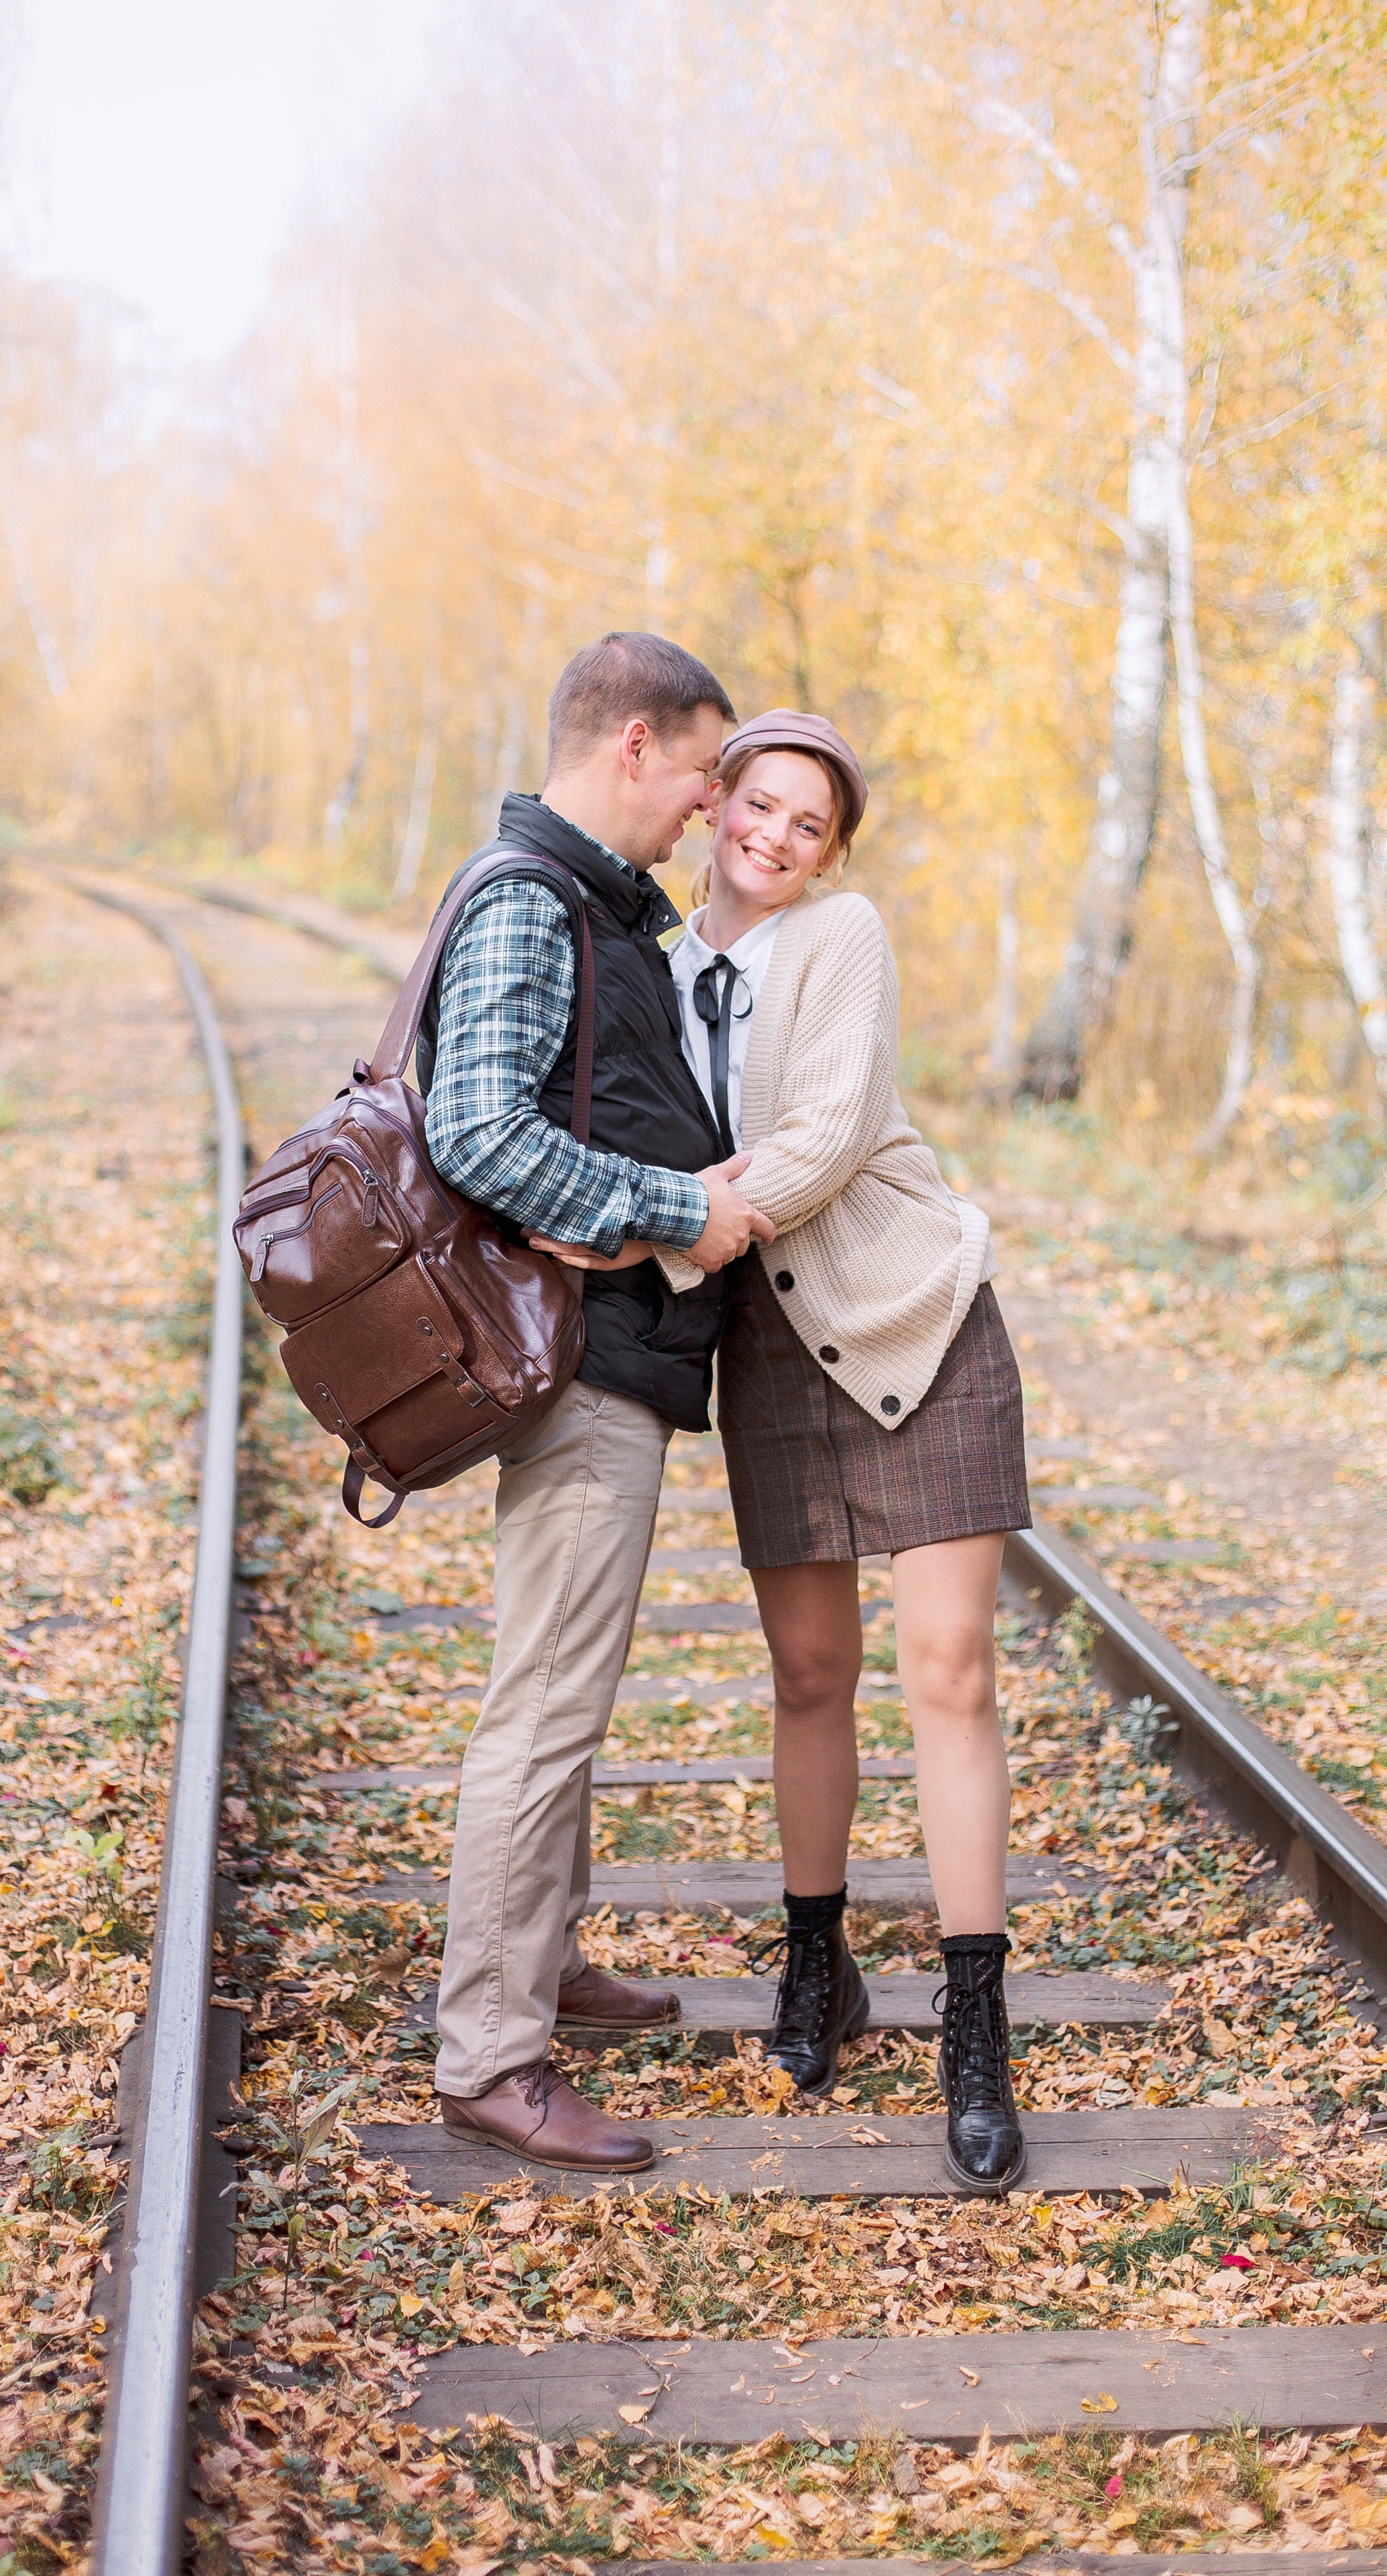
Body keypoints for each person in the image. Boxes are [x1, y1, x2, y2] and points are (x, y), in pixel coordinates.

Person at [530, 709, 1032, 2194]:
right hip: (769, 1354)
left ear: (829, 850)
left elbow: (818, 1141)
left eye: (805, 823)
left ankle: (973, 2026)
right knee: (808, 1674)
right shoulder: (659, 963)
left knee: (951, 1674)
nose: (772, 836)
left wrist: (650, 1230)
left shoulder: (843, 940)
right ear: (712, 805)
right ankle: (817, 1967)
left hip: (915, 1324)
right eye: (754, 805)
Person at [419, 633, 775, 2177]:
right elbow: (478, 1131)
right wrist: (667, 1209)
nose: (711, 805)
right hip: (572, 1353)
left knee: (565, 1688)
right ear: (632, 745)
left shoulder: (586, 903)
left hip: (608, 1339)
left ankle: (540, 1958)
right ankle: (491, 2052)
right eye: (705, 771)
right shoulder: (528, 900)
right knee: (546, 1706)